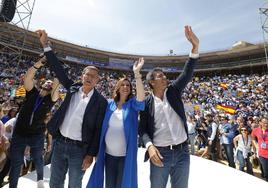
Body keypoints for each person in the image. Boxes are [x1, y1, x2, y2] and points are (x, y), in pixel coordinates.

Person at [37, 30, 108, 188]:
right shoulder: (72, 88)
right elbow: (58, 69)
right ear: (82, 76)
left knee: (75, 184)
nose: (89, 78)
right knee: (55, 183)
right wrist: (45, 45)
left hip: (80, 150)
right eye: (86, 75)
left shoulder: (101, 102)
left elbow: (97, 130)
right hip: (60, 143)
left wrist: (90, 154)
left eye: (93, 76)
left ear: (97, 81)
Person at [139, 25, 199, 188]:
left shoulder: (173, 92)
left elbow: (187, 74)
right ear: (151, 82)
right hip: (160, 153)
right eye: (160, 76)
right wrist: (149, 146)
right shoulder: (145, 103)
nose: (165, 77)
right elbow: (142, 130)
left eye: (164, 75)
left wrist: (194, 48)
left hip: (182, 153)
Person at [87, 58, 145, 188]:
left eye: (128, 85)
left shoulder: (133, 105)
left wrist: (137, 74)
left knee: (122, 185)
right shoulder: (108, 104)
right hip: (108, 155)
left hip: (125, 156)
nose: (125, 87)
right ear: (117, 88)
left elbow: (141, 99)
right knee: (109, 185)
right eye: (123, 85)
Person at [9, 57, 60, 188]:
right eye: (47, 82)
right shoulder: (32, 93)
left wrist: (55, 67)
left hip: (36, 135)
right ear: (42, 83)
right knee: (16, 163)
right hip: (19, 134)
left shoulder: (51, 99)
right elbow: (28, 77)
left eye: (51, 83)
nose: (49, 83)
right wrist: (41, 62)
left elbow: (57, 84)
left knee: (38, 160)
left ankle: (40, 182)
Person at [252, 117, 268, 181]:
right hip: (262, 154)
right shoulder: (256, 130)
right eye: (264, 123)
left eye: (267, 123)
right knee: (266, 172)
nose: (266, 125)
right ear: (260, 123)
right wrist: (256, 145)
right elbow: (253, 138)